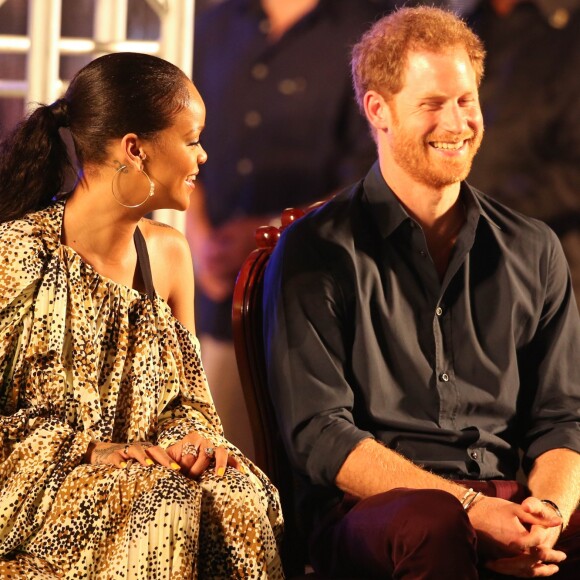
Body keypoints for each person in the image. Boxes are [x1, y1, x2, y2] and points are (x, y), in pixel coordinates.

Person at [263, 6, 580, 579]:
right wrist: (473, 511)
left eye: (465, 101)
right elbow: (320, 435)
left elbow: (561, 416)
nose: (456, 123)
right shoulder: (314, 251)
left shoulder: (535, 248)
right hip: (378, 509)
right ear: (378, 110)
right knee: (432, 523)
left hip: (512, 498)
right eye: (432, 104)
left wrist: (547, 515)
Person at [0, 52, 283, 578]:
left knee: (238, 494)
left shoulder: (170, 256)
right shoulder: (15, 256)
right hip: (41, 494)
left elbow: (190, 401)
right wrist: (89, 451)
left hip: (150, 473)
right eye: (192, 139)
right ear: (136, 150)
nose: (202, 157)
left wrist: (196, 439)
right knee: (162, 501)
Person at [187, 0, 392, 460]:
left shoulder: (368, 29)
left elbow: (375, 173)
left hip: (319, 295)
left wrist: (267, 233)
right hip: (214, 295)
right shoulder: (212, 24)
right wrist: (198, 240)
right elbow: (176, 140)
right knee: (209, 461)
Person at [460, 0, 580, 308]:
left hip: (541, 279)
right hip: (457, 270)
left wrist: (479, 216)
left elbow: (572, 175)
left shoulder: (568, 30)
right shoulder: (464, 22)